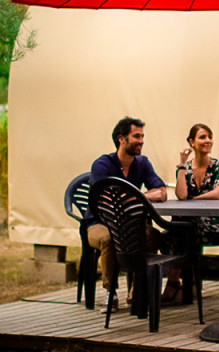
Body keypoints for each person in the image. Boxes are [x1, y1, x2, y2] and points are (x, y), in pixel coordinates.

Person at [83, 117, 167, 313]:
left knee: (152, 236)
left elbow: (162, 192)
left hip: (131, 223)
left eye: (142, 136)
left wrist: (138, 196)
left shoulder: (142, 163)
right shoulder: (102, 164)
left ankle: (136, 291)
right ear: (121, 139)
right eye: (136, 136)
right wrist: (142, 197)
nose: (141, 141)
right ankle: (110, 293)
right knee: (109, 238)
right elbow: (105, 200)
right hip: (99, 222)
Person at [162, 123, 219, 303]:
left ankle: (175, 281)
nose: (208, 141)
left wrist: (195, 199)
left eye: (209, 137)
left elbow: (218, 193)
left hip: (216, 222)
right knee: (174, 232)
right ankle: (186, 281)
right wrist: (181, 163)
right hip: (191, 224)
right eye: (202, 137)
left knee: (179, 230)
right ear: (191, 142)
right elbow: (181, 195)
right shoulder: (185, 168)